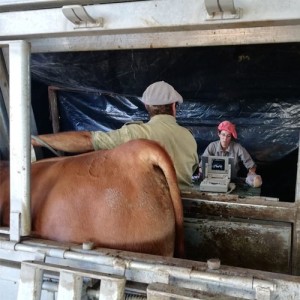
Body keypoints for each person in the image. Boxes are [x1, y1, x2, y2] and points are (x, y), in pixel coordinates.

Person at [32, 81, 199, 189]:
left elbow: (88, 140)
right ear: (174, 106)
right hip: (186, 206)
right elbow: (193, 171)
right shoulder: (189, 137)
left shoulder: (135, 133)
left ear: (147, 106)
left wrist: (37, 140)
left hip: (149, 208)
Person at [201, 120, 262, 187]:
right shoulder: (212, 146)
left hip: (232, 180)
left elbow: (251, 165)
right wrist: (202, 172)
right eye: (223, 135)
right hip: (212, 179)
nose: (225, 139)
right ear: (219, 134)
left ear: (231, 137)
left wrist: (251, 174)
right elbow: (201, 166)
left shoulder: (237, 147)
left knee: (257, 181)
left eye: (228, 136)